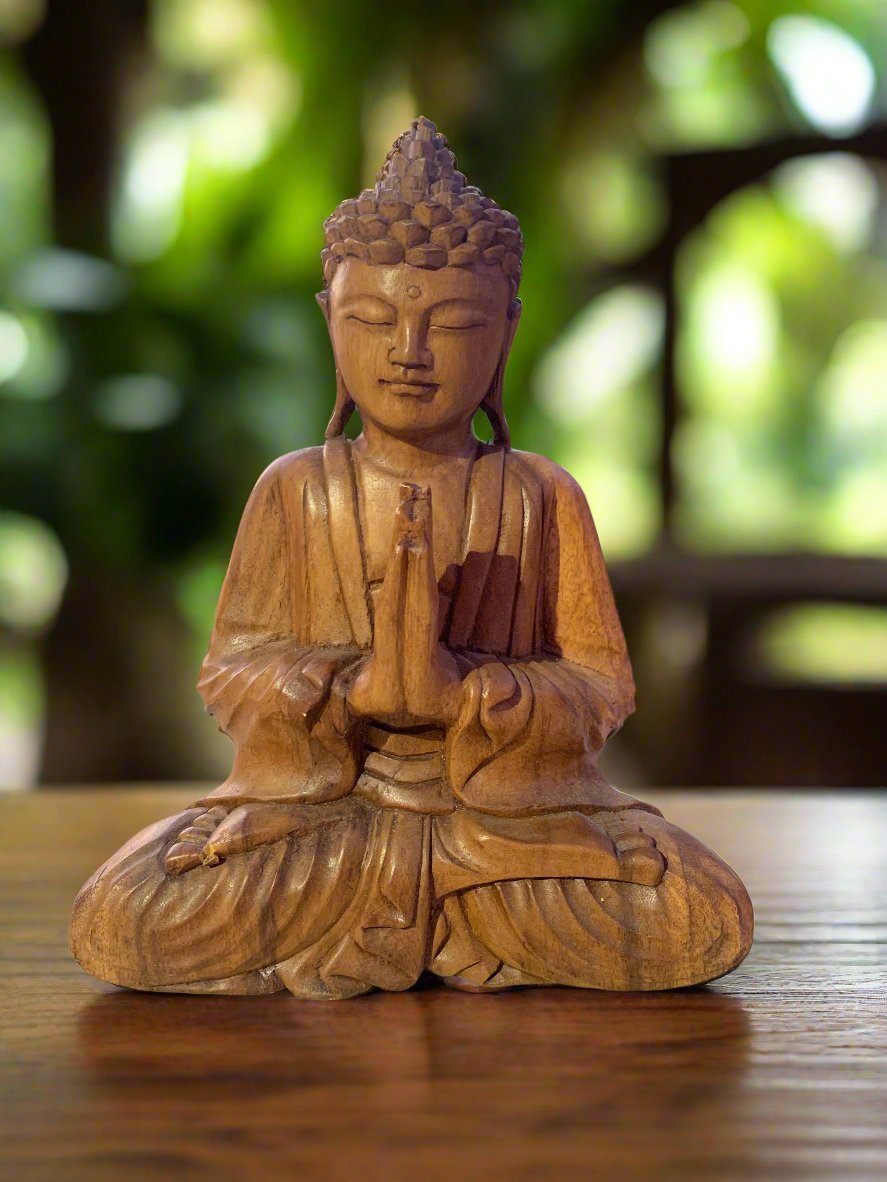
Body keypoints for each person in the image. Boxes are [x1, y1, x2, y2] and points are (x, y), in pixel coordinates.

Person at [71, 118, 752, 998]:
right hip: (322, 824)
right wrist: (351, 691)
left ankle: (431, 911)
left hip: (501, 822)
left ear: (504, 332)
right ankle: (445, 918)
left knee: (701, 912)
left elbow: (600, 683)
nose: (409, 353)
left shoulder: (541, 495)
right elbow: (229, 673)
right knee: (122, 912)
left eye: (453, 323)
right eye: (373, 318)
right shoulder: (294, 490)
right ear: (330, 323)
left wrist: (466, 693)